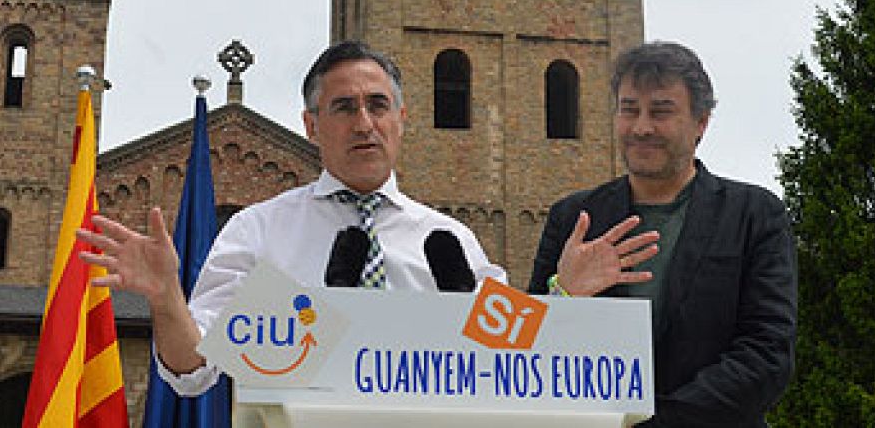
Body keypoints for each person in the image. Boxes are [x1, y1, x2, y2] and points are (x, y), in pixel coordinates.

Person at [81, 40, 506, 396]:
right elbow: (193, 370)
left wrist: (567, 303)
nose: (364, 124)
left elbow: (517, 356)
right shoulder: (259, 230)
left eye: (378, 105)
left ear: (401, 119)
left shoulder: (451, 240)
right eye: (343, 107)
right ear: (311, 125)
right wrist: (166, 297)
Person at [528, 41, 796, 427]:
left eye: (661, 112)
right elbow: (525, 352)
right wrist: (563, 293)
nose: (642, 127)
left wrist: (656, 422)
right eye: (629, 110)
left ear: (701, 122)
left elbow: (766, 355)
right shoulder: (574, 218)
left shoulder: (754, 214)